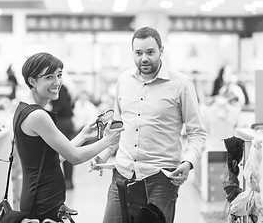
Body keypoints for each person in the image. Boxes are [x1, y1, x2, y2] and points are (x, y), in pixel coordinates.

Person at [90, 27, 207, 223]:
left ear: (161, 50)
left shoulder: (181, 84)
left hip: (160, 178)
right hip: (123, 173)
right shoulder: (124, 80)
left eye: (150, 52)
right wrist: (102, 154)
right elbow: (118, 129)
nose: (144, 58)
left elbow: (197, 132)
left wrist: (188, 162)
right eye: (138, 53)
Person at [13, 52, 123, 221]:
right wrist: (107, 141)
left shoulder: (24, 108)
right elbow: (75, 157)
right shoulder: (37, 116)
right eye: (49, 77)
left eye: (59, 75)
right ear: (32, 81)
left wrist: (83, 135)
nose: (57, 82)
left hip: (40, 197)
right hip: (42, 201)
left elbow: (51, 160)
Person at [50, 84, 76, 190]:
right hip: (68, 121)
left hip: (62, 122)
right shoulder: (66, 89)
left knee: (64, 151)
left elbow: (60, 106)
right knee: (67, 150)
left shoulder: (59, 90)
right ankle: (68, 181)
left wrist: (49, 110)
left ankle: (66, 182)